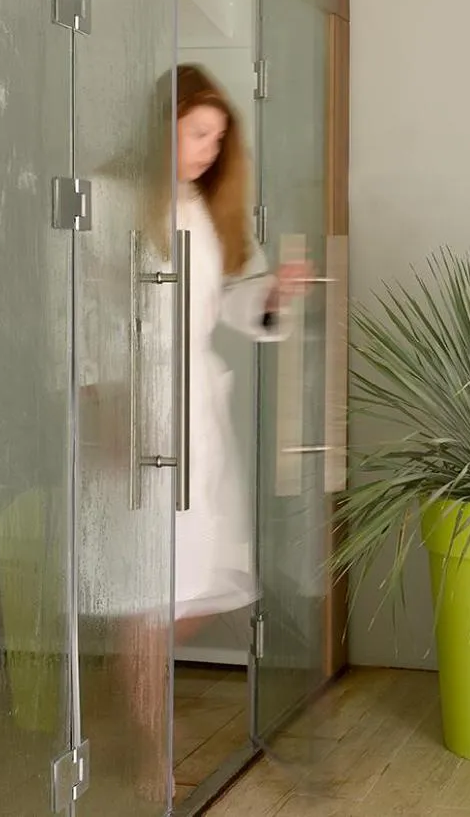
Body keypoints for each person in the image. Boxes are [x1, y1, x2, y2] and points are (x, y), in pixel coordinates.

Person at [170, 63, 309, 641]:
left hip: (194, 403)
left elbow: (227, 296)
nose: (210, 150)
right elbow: (84, 306)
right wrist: (97, 391)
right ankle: (134, 691)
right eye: (199, 133)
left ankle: (140, 691)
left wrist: (274, 293)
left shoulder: (204, 208)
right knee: (158, 584)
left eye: (218, 138)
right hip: (137, 399)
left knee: (201, 577)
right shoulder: (117, 199)